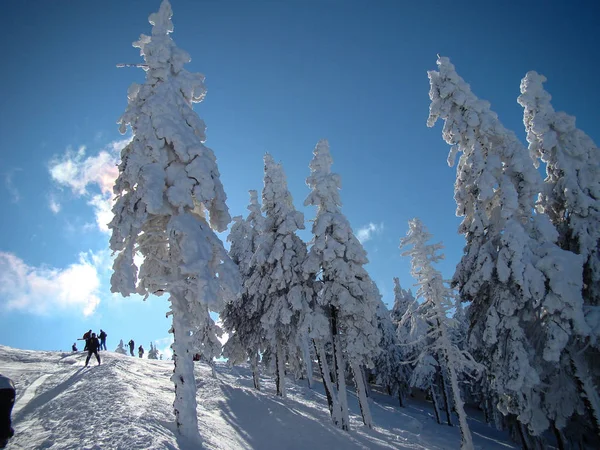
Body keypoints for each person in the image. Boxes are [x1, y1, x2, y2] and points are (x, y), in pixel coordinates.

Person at [0, 374, 15, 449]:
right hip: (9, 390)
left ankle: (3, 436)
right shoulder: (4, 378)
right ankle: (4, 436)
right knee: (5, 414)